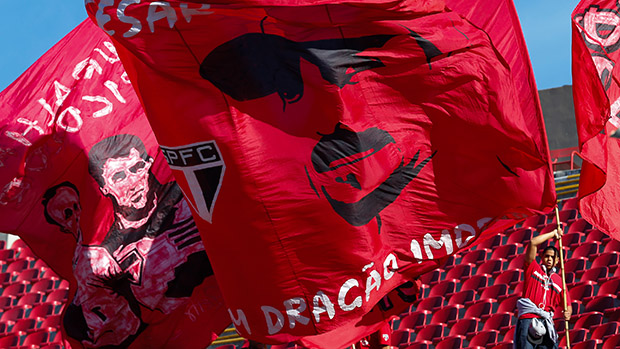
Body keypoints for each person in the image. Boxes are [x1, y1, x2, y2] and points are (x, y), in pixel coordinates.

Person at [43, 134, 215, 347]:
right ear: (105, 188)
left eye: (136, 168)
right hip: (177, 335)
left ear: (149, 164)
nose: (133, 181)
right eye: (119, 176)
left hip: (232, 313)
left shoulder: (190, 197)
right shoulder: (103, 258)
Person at [515, 227, 571, 349]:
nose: (549, 259)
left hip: (546, 321)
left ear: (557, 260)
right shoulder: (533, 268)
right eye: (547, 256)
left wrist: (568, 313)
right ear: (542, 257)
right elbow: (533, 242)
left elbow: (568, 305)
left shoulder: (560, 282)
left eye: (552, 257)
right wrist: (553, 233)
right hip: (528, 318)